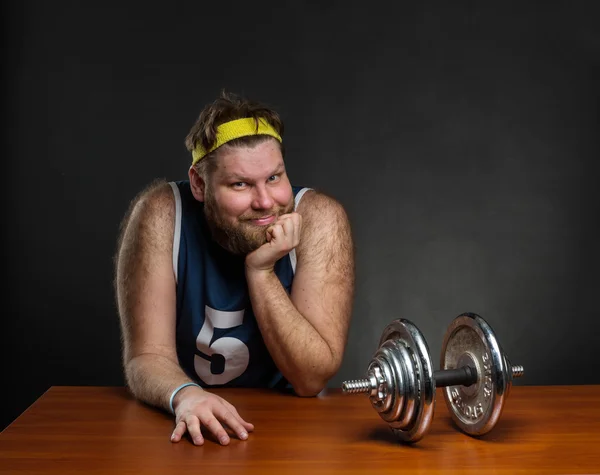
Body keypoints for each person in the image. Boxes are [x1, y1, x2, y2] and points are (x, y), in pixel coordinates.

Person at [114, 91, 355, 447]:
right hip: (184, 425)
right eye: (240, 184)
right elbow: (145, 356)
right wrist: (186, 395)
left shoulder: (320, 218)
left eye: (274, 177)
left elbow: (310, 379)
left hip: (289, 428)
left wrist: (261, 272)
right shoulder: (162, 213)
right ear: (199, 183)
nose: (265, 202)